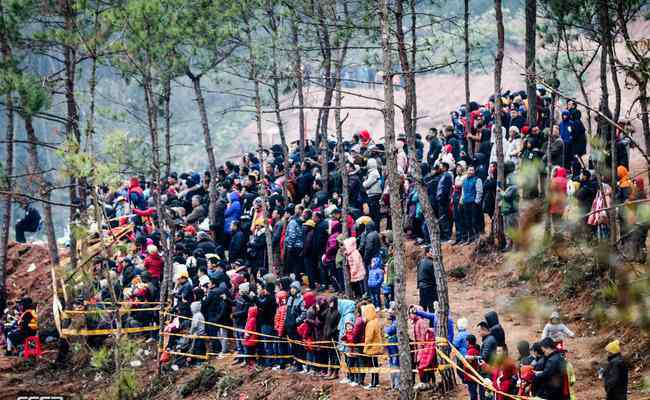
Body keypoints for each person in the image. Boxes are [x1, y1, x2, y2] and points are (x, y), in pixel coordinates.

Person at [416, 246, 437, 312]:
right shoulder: (432, 263)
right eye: (431, 251)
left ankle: (421, 321)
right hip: (430, 287)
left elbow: (418, 275)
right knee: (432, 306)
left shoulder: (420, 262)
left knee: (422, 306)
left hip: (421, 287)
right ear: (427, 253)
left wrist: (418, 285)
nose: (433, 253)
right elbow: (434, 276)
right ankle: (432, 322)